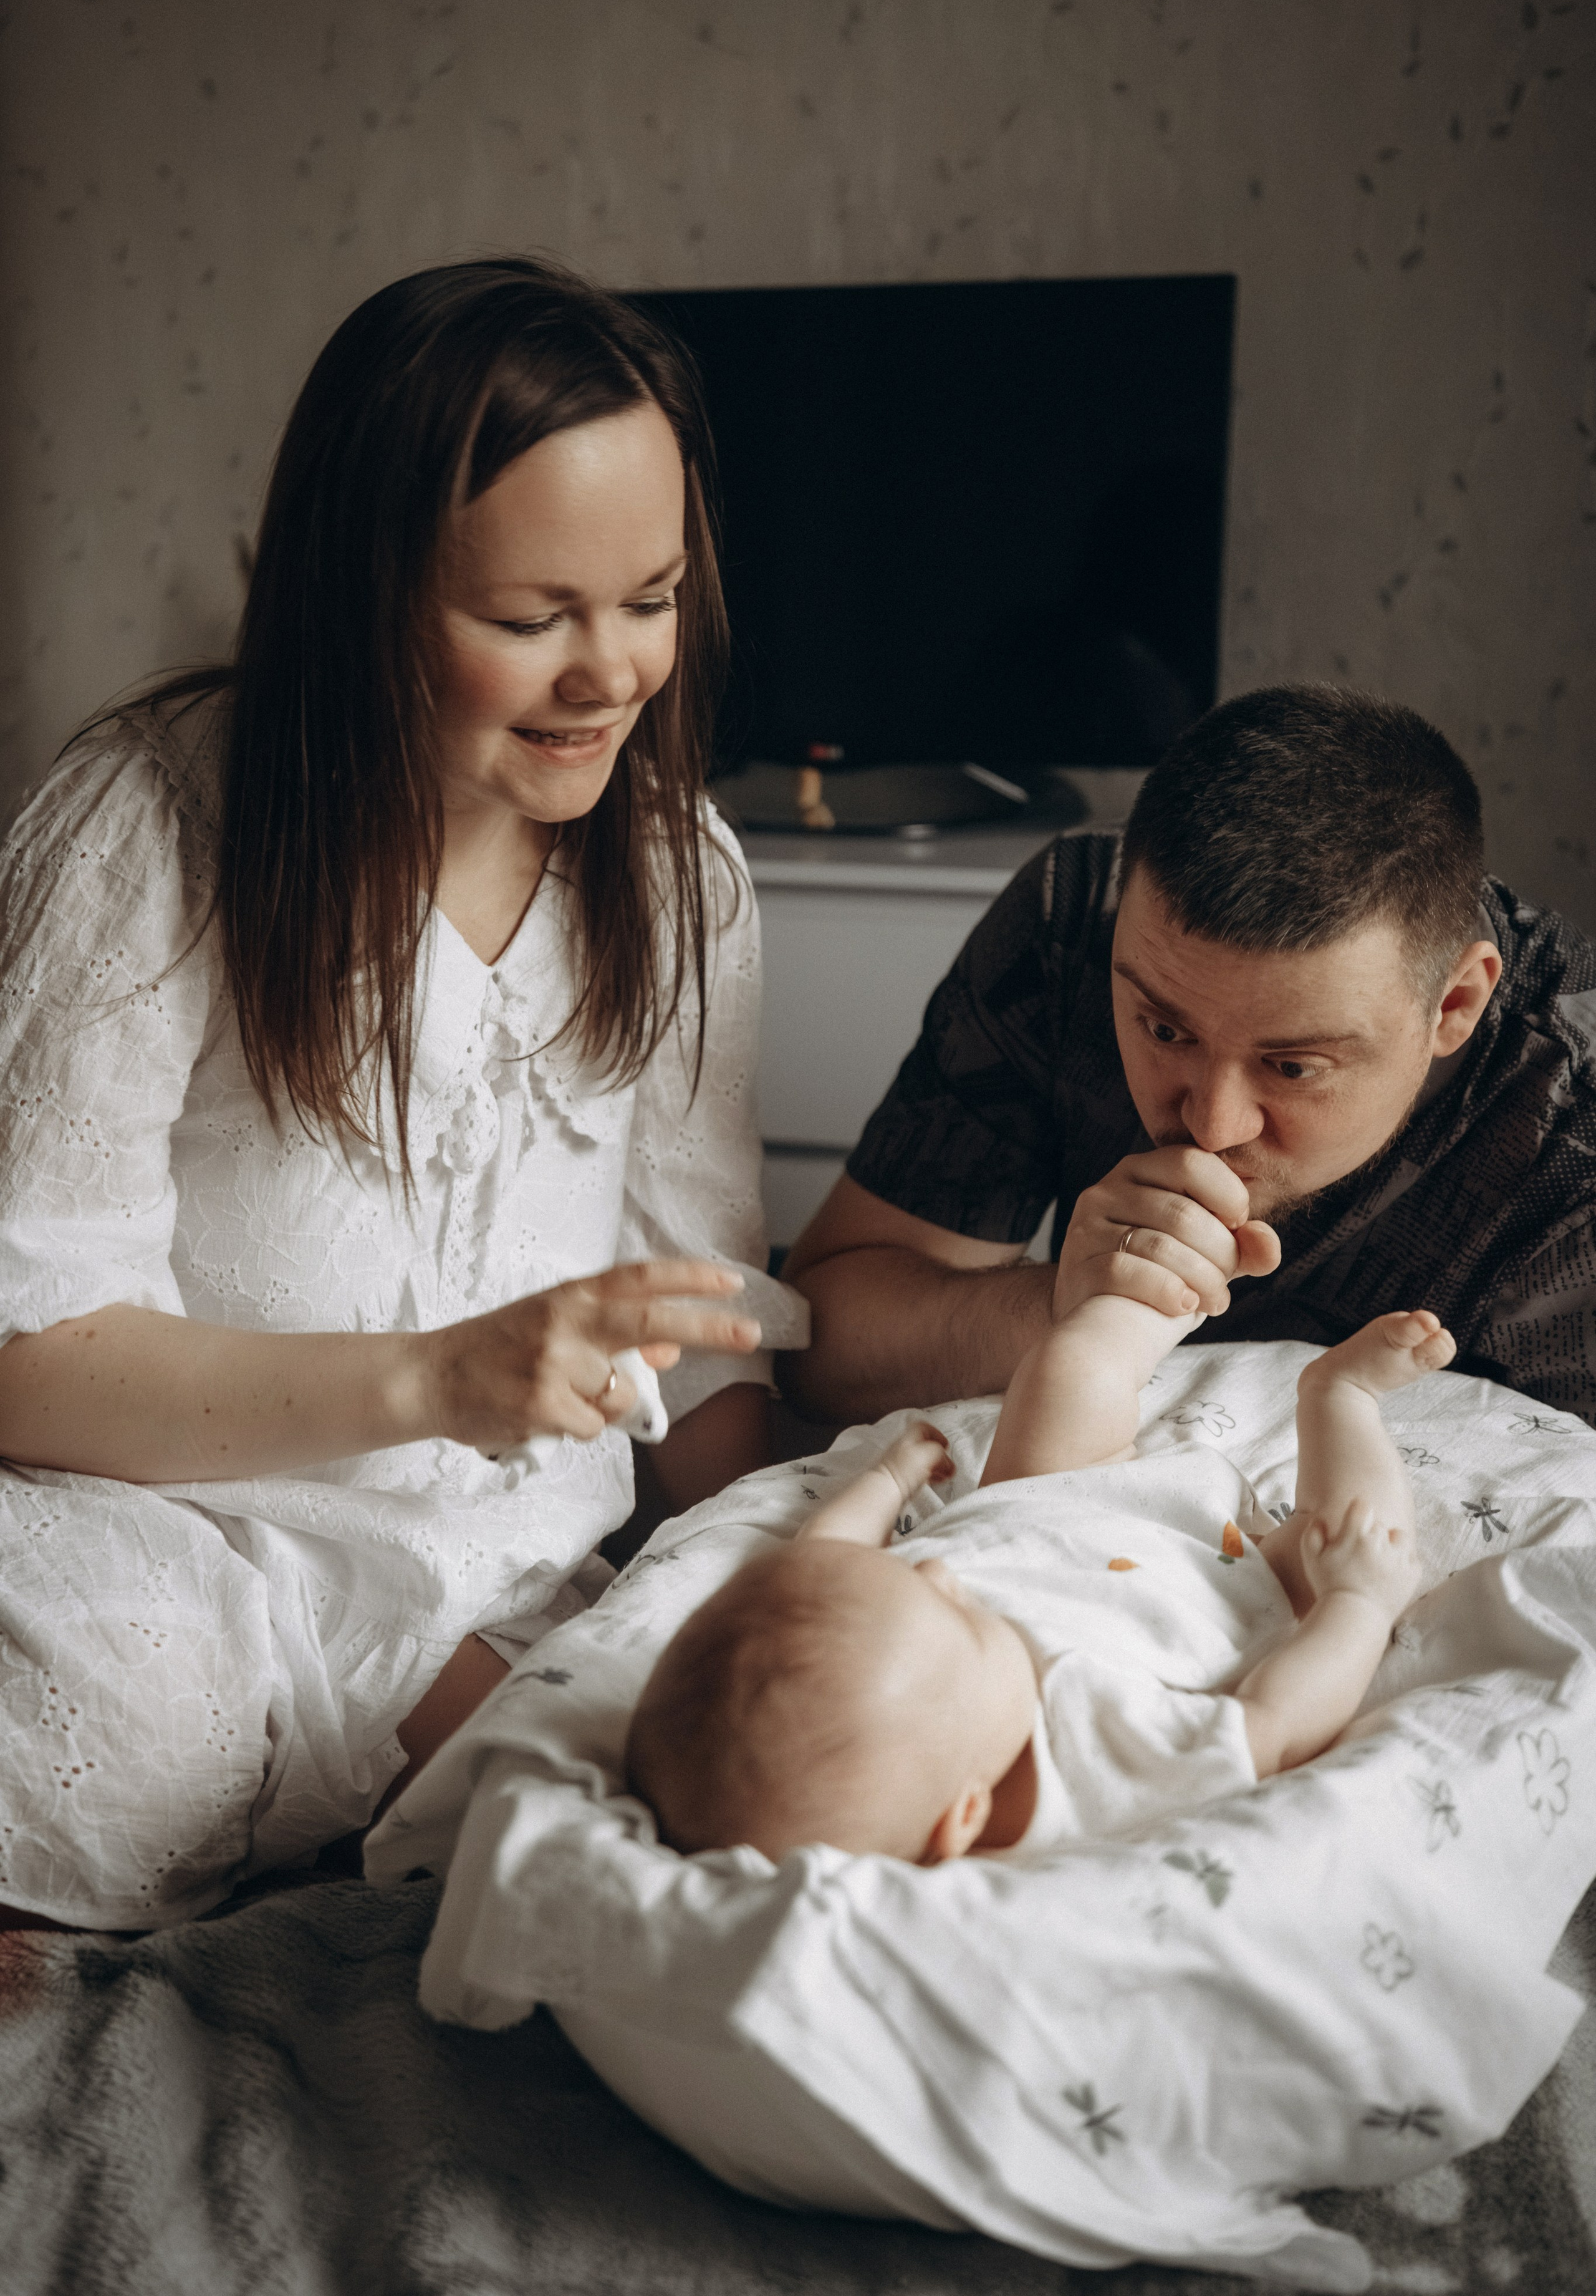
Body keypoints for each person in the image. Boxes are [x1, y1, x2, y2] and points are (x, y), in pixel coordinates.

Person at [0, 256, 804, 1932]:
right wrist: (436, 1379)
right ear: (360, 593)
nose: (609, 675)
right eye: (529, 620)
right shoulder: (147, 829)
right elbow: (28, 1365)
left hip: (510, 1590)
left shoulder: (681, 877)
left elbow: (708, 1345)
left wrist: (780, 1581)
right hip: (188, 1549)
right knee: (116, 1691)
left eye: (649, 598)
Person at [780, 686, 1596, 1429]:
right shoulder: (1077, 917)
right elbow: (819, 1351)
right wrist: (1066, 1303)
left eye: (1293, 1067)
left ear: (1455, 1005)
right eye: (1165, 1030)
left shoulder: (1576, 1127)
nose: (1210, 1124)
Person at [628, 1292, 1445, 1864]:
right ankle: (1341, 1395)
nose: (942, 1578)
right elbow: (1274, 1724)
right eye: (964, 1620)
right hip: (1228, 1580)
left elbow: (821, 1558)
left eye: (922, 1582)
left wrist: (889, 1482)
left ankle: (1181, 1278)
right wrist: (1355, 1605)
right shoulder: (1094, 1754)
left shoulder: (893, 1640)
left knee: (1070, 1364)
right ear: (966, 1819)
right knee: (1363, 1536)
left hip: (1042, 1494)